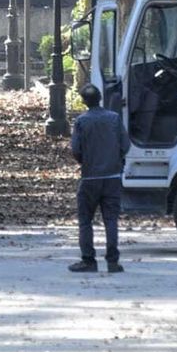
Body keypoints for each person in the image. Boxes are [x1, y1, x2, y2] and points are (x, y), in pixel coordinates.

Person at [70, 83, 130, 273]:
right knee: (111, 219)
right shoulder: (114, 118)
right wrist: (116, 159)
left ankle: (88, 260)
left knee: (85, 220)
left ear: (84, 101)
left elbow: (76, 150)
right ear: (100, 98)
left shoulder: (81, 121)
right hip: (112, 176)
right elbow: (125, 144)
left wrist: (86, 161)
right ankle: (112, 261)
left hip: (90, 178)